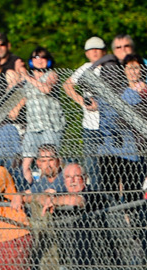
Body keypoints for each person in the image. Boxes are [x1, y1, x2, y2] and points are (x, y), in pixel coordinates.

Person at [49, 163, 117, 270]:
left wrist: (53, 201)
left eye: (75, 177)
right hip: (76, 258)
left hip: (100, 256)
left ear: (84, 178)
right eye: (68, 178)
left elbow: (79, 201)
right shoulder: (60, 203)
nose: (72, 181)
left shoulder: (93, 194)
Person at [63, 37, 108, 184]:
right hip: (90, 126)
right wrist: (83, 102)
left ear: (104, 51)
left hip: (110, 126)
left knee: (110, 168)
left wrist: (101, 105)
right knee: (92, 167)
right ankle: (98, 200)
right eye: (91, 50)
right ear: (86, 53)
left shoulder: (111, 68)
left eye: (98, 49)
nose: (94, 52)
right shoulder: (85, 68)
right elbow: (67, 85)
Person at [17, 47, 65, 185]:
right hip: (32, 127)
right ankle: (31, 191)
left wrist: (26, 76)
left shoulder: (52, 74)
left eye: (43, 57)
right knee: (26, 164)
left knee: (49, 164)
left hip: (50, 126)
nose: (39, 60)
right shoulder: (27, 80)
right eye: (36, 57)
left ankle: (52, 189)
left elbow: (46, 89)